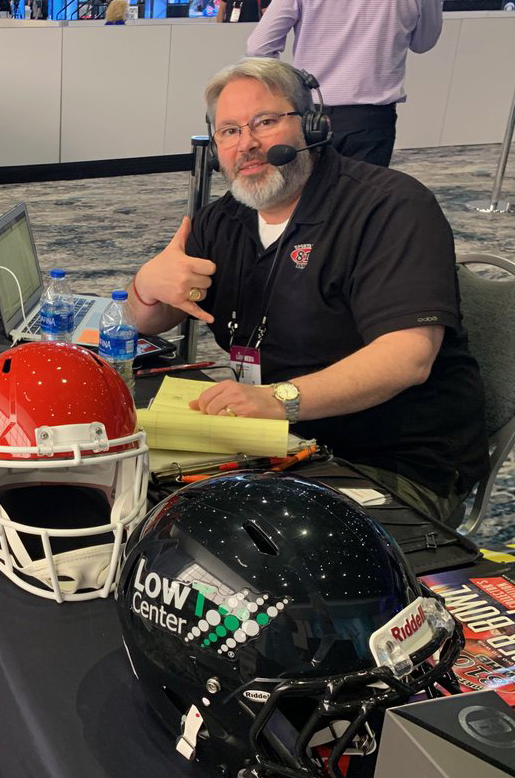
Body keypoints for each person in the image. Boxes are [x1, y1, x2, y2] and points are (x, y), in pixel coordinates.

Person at [126, 57, 489, 526]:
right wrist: (146, 286)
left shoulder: (388, 206)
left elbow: (408, 357)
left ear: (313, 124)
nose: (248, 144)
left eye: (266, 122)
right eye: (230, 131)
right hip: (275, 445)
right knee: (138, 502)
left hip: (389, 462)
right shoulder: (224, 219)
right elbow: (149, 320)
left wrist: (279, 401)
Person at [246, 0, 443, 167]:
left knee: (306, 201)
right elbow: (423, 43)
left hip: (310, 116)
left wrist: (287, 93)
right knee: (360, 205)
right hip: (371, 120)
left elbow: (259, 47)